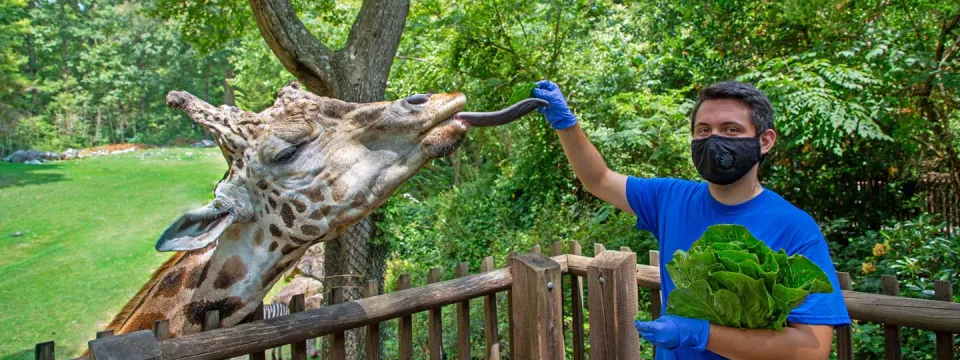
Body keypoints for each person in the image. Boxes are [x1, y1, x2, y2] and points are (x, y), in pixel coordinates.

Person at [531, 80, 850, 359]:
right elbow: (599, 179)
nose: (714, 140)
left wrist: (701, 334)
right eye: (703, 130)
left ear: (764, 141)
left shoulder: (796, 229)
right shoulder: (670, 198)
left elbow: (811, 350)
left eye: (731, 130)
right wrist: (566, 124)